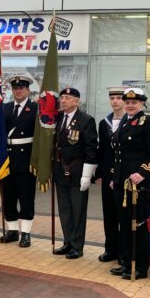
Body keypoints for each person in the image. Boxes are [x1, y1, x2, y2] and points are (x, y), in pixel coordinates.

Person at [110, 88, 150, 280]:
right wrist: (113, 177)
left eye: (135, 102)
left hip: (140, 184)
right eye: (128, 102)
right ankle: (126, 262)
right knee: (124, 224)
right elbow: (118, 155)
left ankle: (140, 267)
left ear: (142, 104)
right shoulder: (125, 121)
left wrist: (142, 173)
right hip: (122, 183)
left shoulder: (148, 122)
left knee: (137, 225)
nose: (130, 105)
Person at [52, 88, 98, 259]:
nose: (63, 100)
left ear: (77, 101)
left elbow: (91, 148)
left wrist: (87, 174)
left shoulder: (86, 120)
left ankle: (77, 246)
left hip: (78, 172)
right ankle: (68, 241)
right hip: (59, 171)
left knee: (77, 210)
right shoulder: (57, 119)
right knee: (64, 209)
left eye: (68, 98)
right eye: (62, 97)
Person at [0, 76, 37, 247]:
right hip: (7, 160)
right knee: (8, 197)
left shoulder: (36, 108)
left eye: (21, 88)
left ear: (28, 90)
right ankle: (12, 230)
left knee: (26, 197)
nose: (18, 91)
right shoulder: (4, 108)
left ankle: (26, 233)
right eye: (15, 88)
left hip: (26, 159)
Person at [96, 86, 126, 263]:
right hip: (108, 176)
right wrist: (99, 174)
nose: (115, 101)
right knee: (109, 215)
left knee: (123, 214)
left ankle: (123, 252)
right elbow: (102, 151)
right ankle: (110, 249)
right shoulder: (104, 123)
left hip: (124, 176)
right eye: (112, 98)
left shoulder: (131, 121)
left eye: (118, 98)